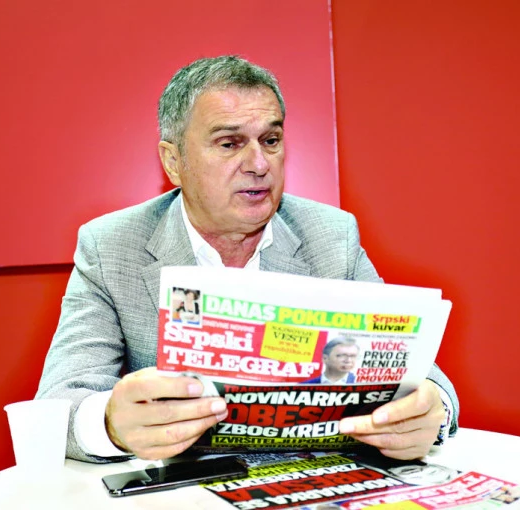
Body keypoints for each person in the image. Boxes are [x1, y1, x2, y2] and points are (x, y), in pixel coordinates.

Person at [36, 55, 459, 464]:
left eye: (270, 141)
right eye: (229, 143)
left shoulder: (331, 237)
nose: (259, 164)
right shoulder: (111, 247)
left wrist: (428, 414)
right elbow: (57, 404)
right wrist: (112, 422)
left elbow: (425, 380)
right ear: (173, 162)